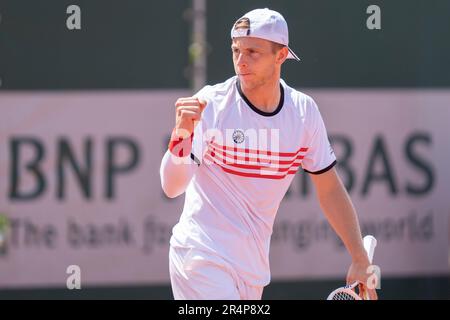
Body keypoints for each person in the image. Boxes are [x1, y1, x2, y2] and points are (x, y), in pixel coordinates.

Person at [160, 8, 378, 300]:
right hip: (200, 256)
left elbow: (329, 189)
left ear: (281, 55)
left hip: (252, 271)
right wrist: (181, 136)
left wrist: (359, 257)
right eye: (236, 50)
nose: (241, 60)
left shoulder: (303, 113)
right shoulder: (210, 104)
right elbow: (172, 187)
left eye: (253, 52)